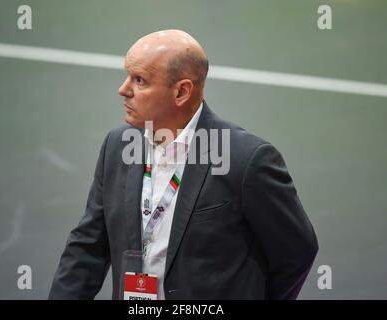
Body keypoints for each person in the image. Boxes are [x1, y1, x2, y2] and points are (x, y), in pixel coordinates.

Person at [49, 29, 318, 300]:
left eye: (139, 80)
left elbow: (296, 253)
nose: (123, 89)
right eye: (127, 76)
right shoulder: (118, 146)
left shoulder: (246, 160)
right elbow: (87, 248)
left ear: (181, 92)